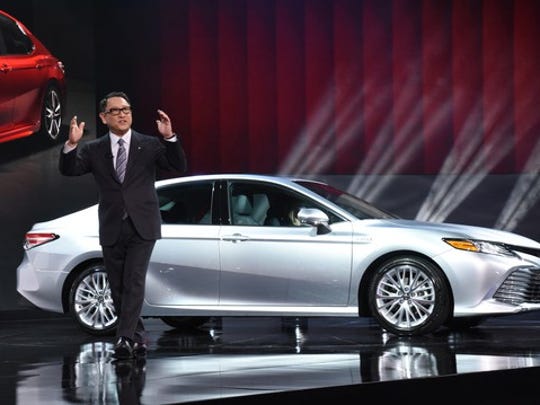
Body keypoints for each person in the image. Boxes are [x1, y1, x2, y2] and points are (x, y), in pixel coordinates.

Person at [59, 91, 187, 359]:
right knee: (117, 286)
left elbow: (178, 165)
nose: (122, 114)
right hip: (111, 225)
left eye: (126, 109)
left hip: (143, 225)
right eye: (115, 111)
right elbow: (69, 170)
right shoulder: (94, 150)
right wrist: (71, 145)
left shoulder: (149, 145)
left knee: (134, 281)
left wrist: (169, 137)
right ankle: (137, 336)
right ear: (104, 117)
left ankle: (125, 339)